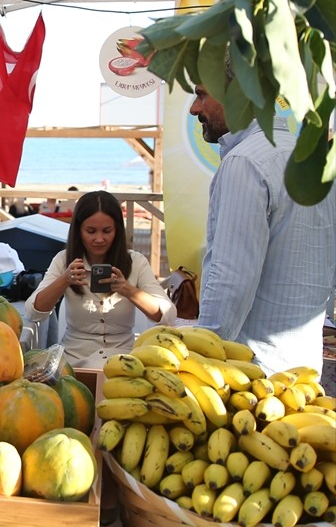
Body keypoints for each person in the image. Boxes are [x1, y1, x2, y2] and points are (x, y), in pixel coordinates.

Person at [189, 81, 336, 373]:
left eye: (202, 94)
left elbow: (230, 280)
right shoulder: (310, 160)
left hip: (251, 376)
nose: (195, 109)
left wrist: (197, 361)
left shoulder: (245, 161)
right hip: (302, 369)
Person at [25, 190, 175, 365]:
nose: (99, 239)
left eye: (107, 231)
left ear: (117, 230)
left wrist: (128, 291)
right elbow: (34, 312)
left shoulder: (136, 262)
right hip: (74, 358)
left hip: (124, 358)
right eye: (90, 231)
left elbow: (168, 315)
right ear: (78, 231)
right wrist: (64, 280)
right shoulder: (63, 260)